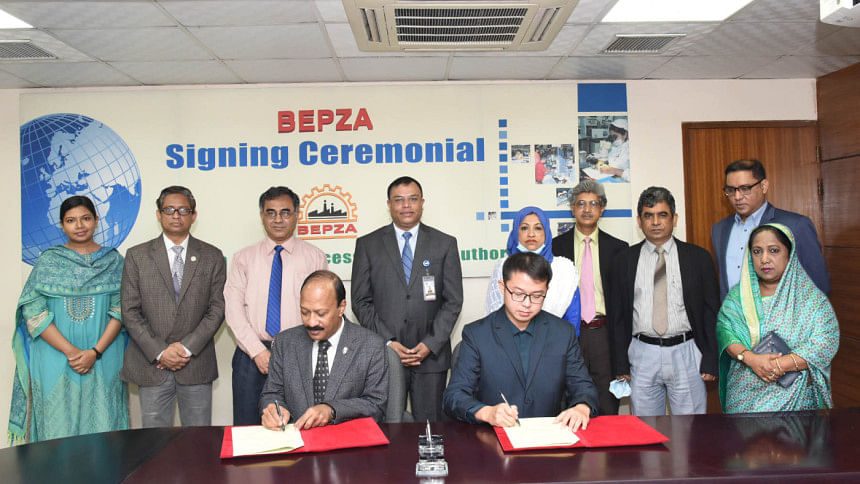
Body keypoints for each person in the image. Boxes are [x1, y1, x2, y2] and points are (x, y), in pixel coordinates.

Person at [9, 196, 127, 443]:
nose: (79, 225)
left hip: (103, 357)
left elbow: (121, 310)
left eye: (85, 218)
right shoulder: (48, 262)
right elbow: (34, 312)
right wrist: (72, 352)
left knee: (104, 427)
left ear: (96, 220)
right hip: (55, 357)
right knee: (57, 430)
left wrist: (95, 352)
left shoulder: (113, 261)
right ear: (62, 225)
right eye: (71, 220)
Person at [351, 176, 463, 422]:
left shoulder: (444, 244)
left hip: (431, 358)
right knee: (389, 426)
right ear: (389, 204)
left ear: (422, 202)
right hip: (384, 357)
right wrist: (387, 342)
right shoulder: (368, 245)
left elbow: (453, 301)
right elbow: (360, 301)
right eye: (399, 200)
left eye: (413, 199)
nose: (406, 206)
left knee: (431, 429)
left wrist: (430, 343)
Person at [444, 252, 598, 430]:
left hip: (549, 436)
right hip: (494, 436)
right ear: (502, 287)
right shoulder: (477, 334)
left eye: (537, 296)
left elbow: (583, 386)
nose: (527, 304)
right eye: (518, 294)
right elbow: (454, 396)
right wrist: (487, 413)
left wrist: (582, 407)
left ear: (547, 291)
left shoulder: (563, 333)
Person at [121, 186, 226, 427]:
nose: (176, 215)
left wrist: (186, 348)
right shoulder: (137, 256)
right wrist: (161, 352)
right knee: (155, 442)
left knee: (198, 439)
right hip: (152, 365)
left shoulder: (212, 256)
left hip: (196, 365)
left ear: (193, 215)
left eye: (183, 210)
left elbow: (217, 308)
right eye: (169, 210)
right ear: (158, 214)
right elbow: (130, 310)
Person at [609, 187, 719, 416]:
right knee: (646, 429)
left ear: (674, 219)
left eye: (662, 215)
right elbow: (617, 317)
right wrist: (620, 363)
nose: (656, 222)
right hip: (642, 353)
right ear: (639, 221)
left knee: (690, 429)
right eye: (648, 216)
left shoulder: (698, 258)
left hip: (686, 352)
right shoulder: (624, 260)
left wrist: (710, 358)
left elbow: (711, 312)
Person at [225, 186, 328, 425]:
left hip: (301, 353)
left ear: (296, 215)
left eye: (285, 212)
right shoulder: (243, 258)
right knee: (249, 429)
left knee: (301, 426)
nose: (278, 219)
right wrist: (258, 352)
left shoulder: (315, 257)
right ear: (262, 216)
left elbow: (323, 309)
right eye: (271, 213)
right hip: (250, 355)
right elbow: (233, 309)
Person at [717, 223, 839, 413]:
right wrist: (752, 360)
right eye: (757, 251)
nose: (764, 259)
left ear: (789, 255)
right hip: (744, 400)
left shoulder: (811, 299)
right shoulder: (738, 297)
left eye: (773, 250)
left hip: (796, 400)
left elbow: (825, 342)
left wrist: (779, 365)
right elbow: (726, 332)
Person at [260, 271, 388, 430]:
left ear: (341, 308)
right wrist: (274, 410)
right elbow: (272, 393)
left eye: (321, 314)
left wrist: (331, 410)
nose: (311, 322)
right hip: (297, 439)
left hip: (348, 439)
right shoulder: (285, 343)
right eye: (305, 312)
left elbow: (375, 405)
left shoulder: (371, 346)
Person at [552, 180, 629, 415]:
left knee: (606, 404)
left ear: (602, 209)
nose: (587, 209)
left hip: (603, 335)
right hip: (567, 334)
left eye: (593, 204)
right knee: (566, 401)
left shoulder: (619, 249)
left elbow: (624, 307)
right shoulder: (555, 247)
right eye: (581, 204)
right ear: (572, 208)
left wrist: (622, 360)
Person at [711, 159, 829, 300]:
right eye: (731, 190)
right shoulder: (719, 230)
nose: (737, 197)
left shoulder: (795, 226)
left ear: (764, 186)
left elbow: (818, 285)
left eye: (745, 188)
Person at [484, 206, 581, 333]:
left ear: (546, 233)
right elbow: (494, 313)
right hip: (507, 340)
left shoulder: (564, 269)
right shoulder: (503, 266)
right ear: (515, 232)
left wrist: (560, 343)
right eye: (524, 228)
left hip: (554, 341)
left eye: (538, 228)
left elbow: (572, 320)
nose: (531, 234)